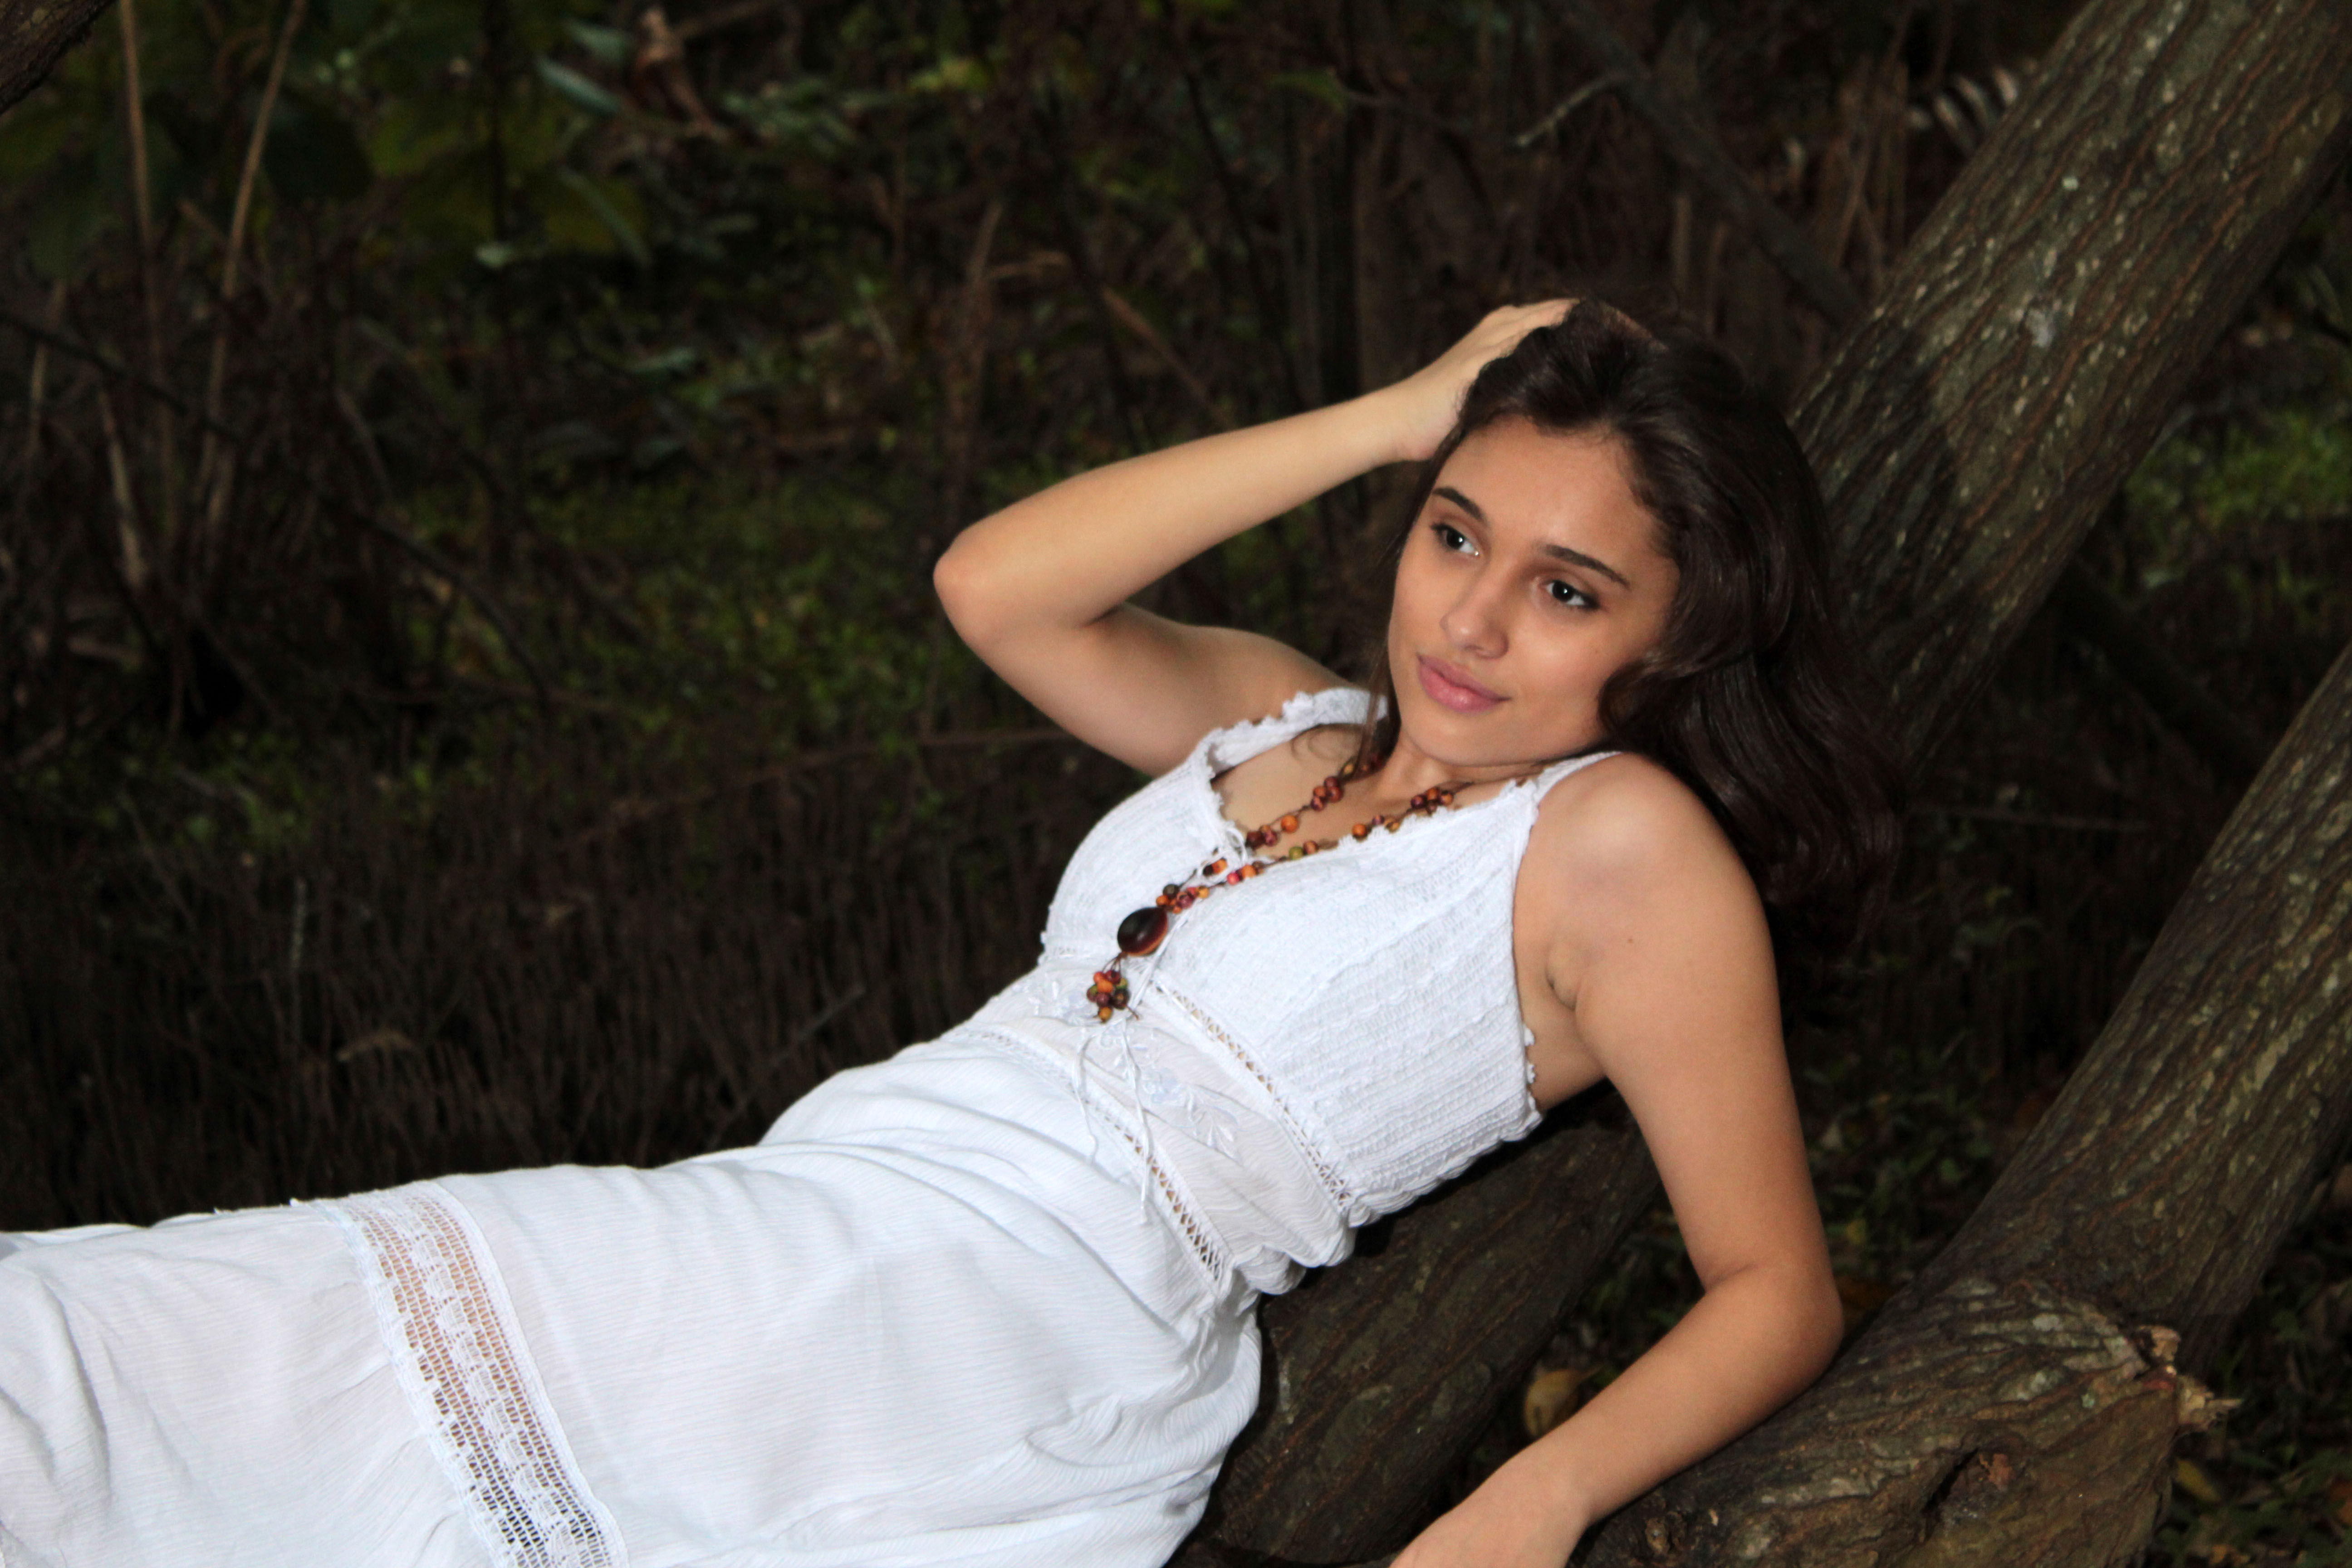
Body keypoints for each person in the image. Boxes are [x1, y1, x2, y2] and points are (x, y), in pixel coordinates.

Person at [0, 298, 1898, 1568]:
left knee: (165, 1357)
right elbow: (998, 585)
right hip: (824, 1205)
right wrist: (1403, 416)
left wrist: (1524, 1511)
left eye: (1568, 590)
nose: (1471, 621)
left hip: (995, 1319)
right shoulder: (1294, 720)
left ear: (1685, 632)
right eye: (1455, 532)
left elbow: (1775, 1287)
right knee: (189, 1353)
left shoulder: (1616, 849)